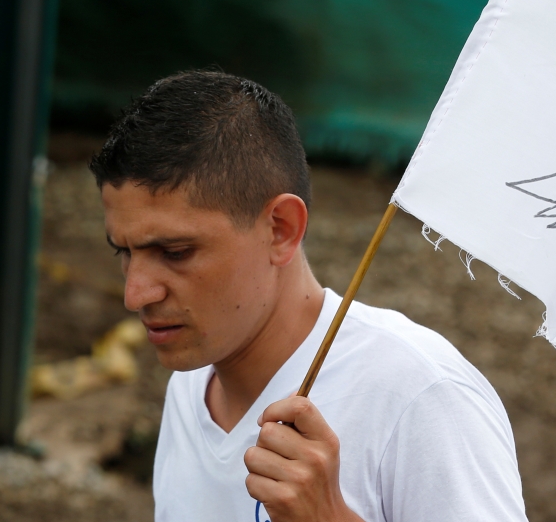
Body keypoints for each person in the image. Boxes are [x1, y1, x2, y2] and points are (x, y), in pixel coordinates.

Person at [90, 70, 528, 522]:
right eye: (124, 252)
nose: (136, 293)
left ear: (281, 229)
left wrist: (331, 517)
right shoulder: (191, 381)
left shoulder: (418, 396)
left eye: (175, 252)